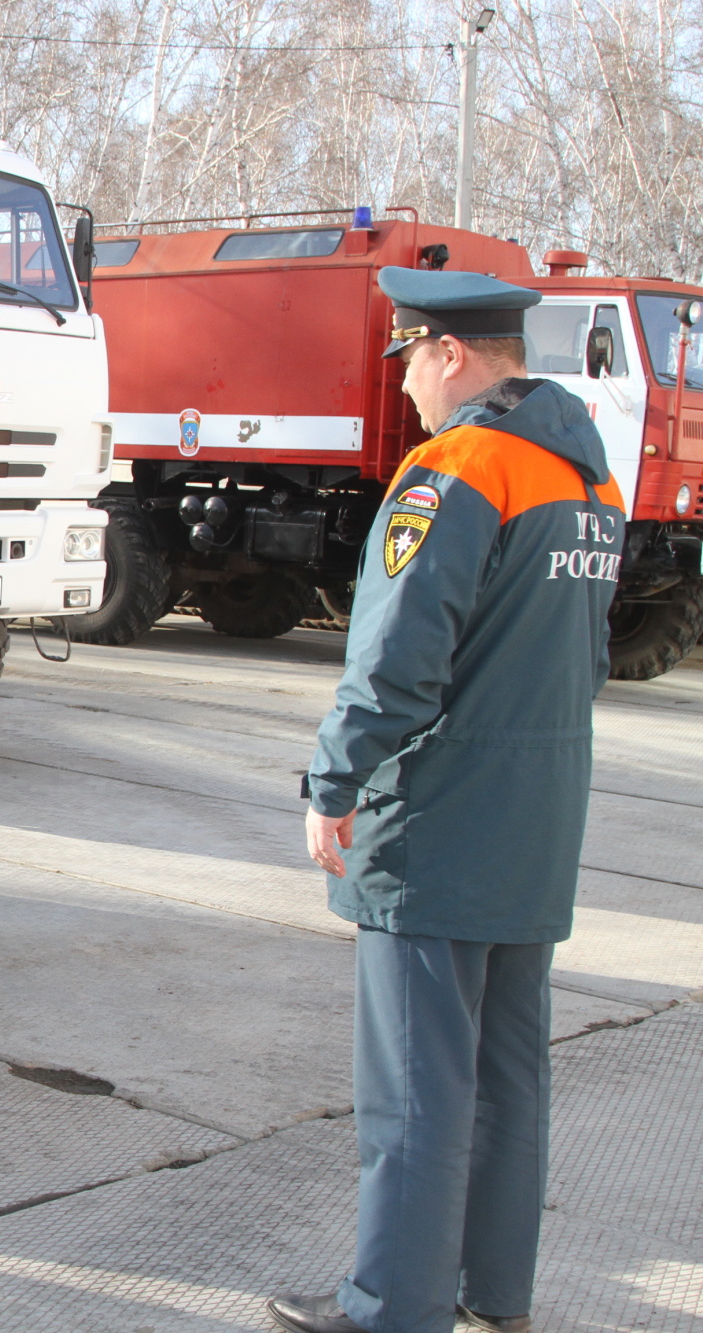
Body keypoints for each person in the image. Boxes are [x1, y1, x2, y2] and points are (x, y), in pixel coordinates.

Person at [270, 270, 625, 1333]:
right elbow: (589, 660)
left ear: (450, 354)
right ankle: (490, 1298)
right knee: (507, 1077)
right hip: (535, 822)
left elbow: (393, 664)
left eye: (410, 364)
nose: (408, 390)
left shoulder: (456, 467)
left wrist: (329, 783)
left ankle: (390, 1307)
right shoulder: (587, 480)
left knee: (415, 1089)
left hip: (435, 822)